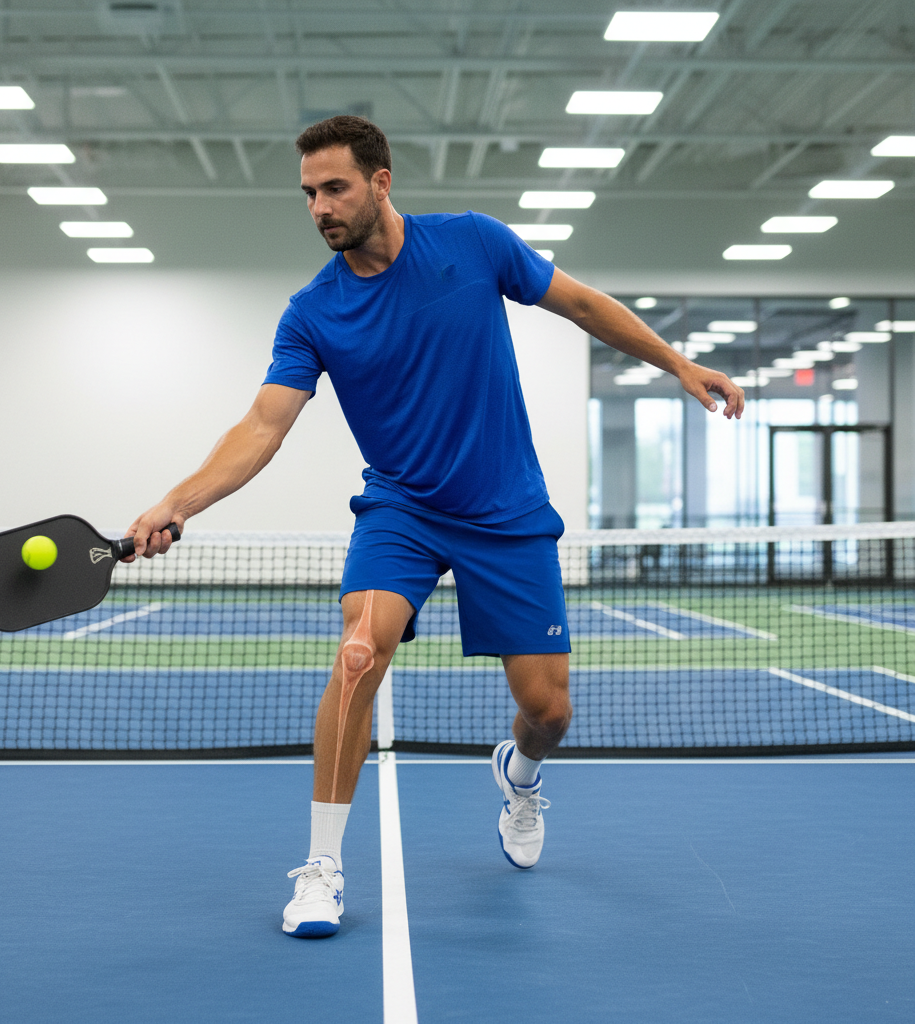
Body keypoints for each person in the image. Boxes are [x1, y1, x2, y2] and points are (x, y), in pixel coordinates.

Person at [125, 115, 745, 939]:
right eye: (308, 193)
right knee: (356, 653)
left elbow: (584, 305)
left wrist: (676, 362)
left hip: (507, 510)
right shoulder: (313, 311)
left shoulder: (475, 245)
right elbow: (263, 427)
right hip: (403, 511)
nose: (319, 206)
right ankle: (322, 868)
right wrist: (178, 501)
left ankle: (518, 776)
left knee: (550, 711)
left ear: (381, 182)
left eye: (334, 187)